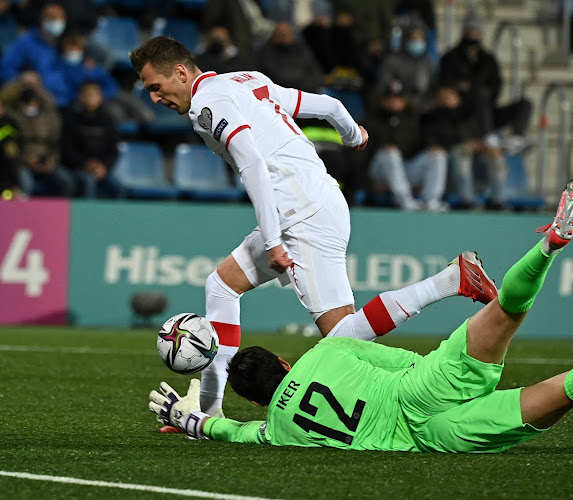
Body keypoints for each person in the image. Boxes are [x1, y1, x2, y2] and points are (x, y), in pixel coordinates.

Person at [150, 175, 573, 453]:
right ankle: (548, 245)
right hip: (428, 386)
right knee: (509, 306)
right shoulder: (326, 350)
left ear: (257, 400)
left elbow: (227, 429)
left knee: (570, 390)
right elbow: (366, 339)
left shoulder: (275, 432)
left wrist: (190, 419)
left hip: (432, 437)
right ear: (282, 358)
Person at [130, 36, 498, 429]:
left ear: (181, 72)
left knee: (341, 340)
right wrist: (352, 132)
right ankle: (210, 409)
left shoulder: (207, 103)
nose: (154, 98)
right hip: (312, 202)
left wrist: (273, 242)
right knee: (222, 285)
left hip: (298, 217)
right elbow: (329, 105)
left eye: (156, 87)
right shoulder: (245, 80)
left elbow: (252, 164)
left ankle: (451, 280)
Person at [440, 12, 532, 154]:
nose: (474, 35)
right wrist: (472, 90)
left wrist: (471, 87)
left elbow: (496, 86)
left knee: (524, 104)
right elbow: (449, 85)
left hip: (488, 110)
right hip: (464, 114)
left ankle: (517, 138)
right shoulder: (451, 57)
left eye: (476, 31)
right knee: (480, 93)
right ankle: (487, 136)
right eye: (471, 31)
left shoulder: (488, 60)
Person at [363, 80, 448, 211]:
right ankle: (403, 199)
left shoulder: (413, 120)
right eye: (390, 99)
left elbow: (419, 147)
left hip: (405, 169)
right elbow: (360, 156)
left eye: (398, 99)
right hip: (378, 173)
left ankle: (432, 200)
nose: (395, 102)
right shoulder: (370, 120)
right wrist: (367, 184)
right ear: (382, 100)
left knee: (438, 155)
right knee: (390, 153)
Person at [0, 2, 70, 106]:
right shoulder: (26, 42)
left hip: (65, 104)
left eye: (60, 18)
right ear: (42, 19)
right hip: (33, 102)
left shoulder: (70, 43)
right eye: (51, 17)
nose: (56, 22)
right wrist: (22, 78)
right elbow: (6, 68)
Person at [61, 80, 122, 198]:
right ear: (80, 97)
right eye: (88, 94)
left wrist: (104, 167)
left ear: (101, 97)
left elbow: (113, 150)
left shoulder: (107, 121)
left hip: (102, 168)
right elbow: (67, 150)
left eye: (94, 94)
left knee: (117, 186)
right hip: (78, 169)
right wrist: (85, 164)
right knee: (88, 182)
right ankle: (88, 215)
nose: (91, 98)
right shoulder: (72, 121)